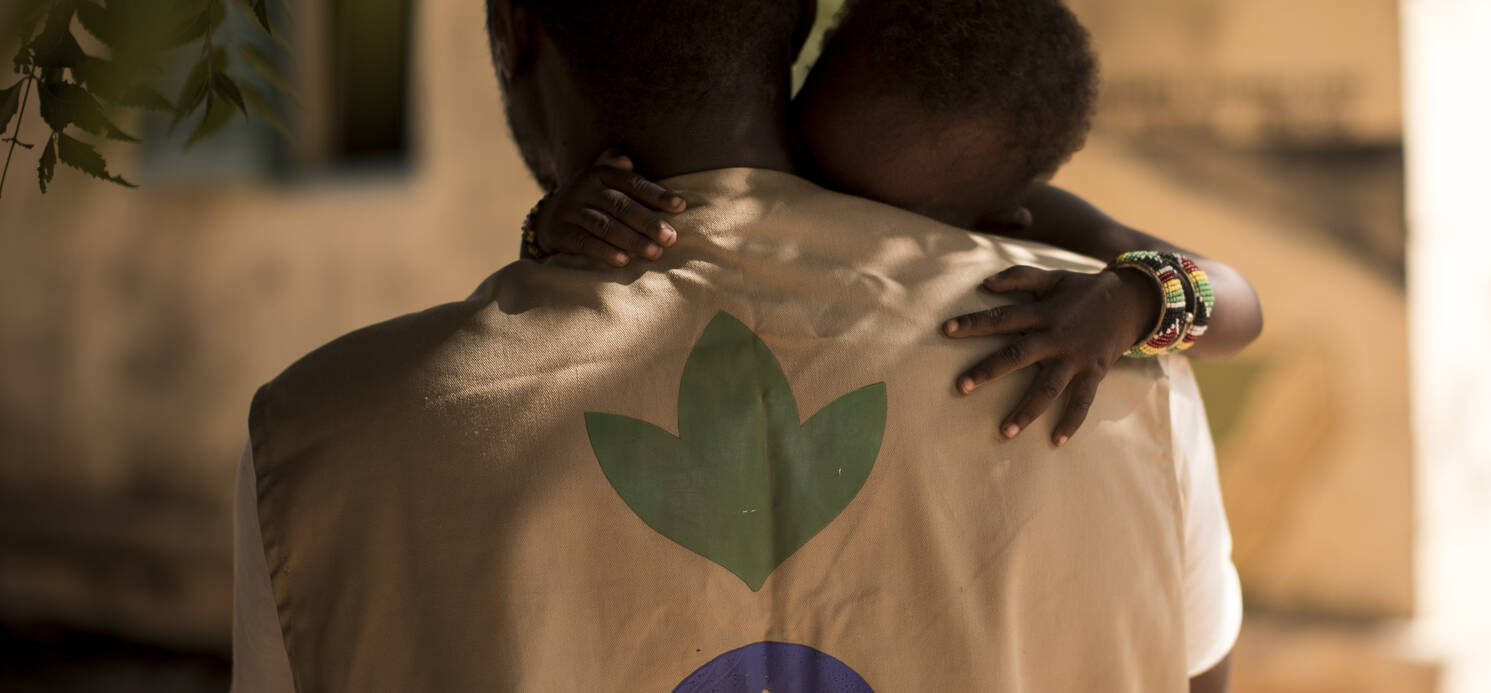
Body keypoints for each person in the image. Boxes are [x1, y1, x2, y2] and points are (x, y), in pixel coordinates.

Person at [231, 0, 1239, 691]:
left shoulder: (323, 435)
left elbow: (1208, 292)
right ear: (802, 29)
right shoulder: (1118, 387)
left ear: (512, 29)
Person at [524, 0, 1265, 447]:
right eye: (808, 163)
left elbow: (1242, 304)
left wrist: (1125, 302)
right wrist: (557, 223)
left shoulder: (1042, 222)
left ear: (997, 218)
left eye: (877, 212)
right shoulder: (740, 155)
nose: (820, 208)